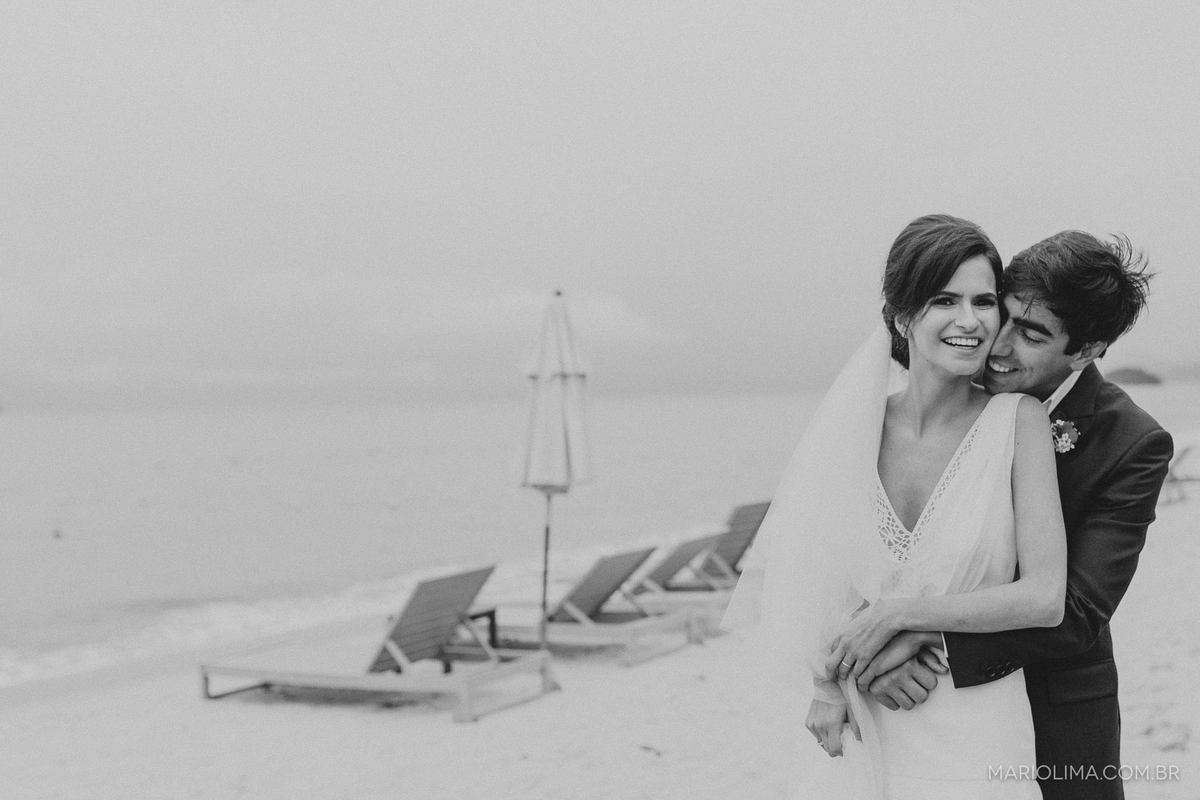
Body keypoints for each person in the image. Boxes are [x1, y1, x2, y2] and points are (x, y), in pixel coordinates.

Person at [725, 213, 1067, 799]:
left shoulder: (1020, 423)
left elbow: (1044, 596)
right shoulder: (854, 425)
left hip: (976, 730)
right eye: (944, 299)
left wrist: (897, 616)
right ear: (903, 314)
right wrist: (827, 685)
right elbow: (810, 575)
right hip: (868, 718)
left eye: (985, 301)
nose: (970, 320)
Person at [854, 231, 1173, 800]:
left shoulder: (1132, 442)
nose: (997, 345)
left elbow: (1078, 612)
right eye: (1003, 315)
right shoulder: (952, 384)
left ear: (1087, 350)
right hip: (916, 708)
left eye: (1031, 335)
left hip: (1059, 711)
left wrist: (913, 632)